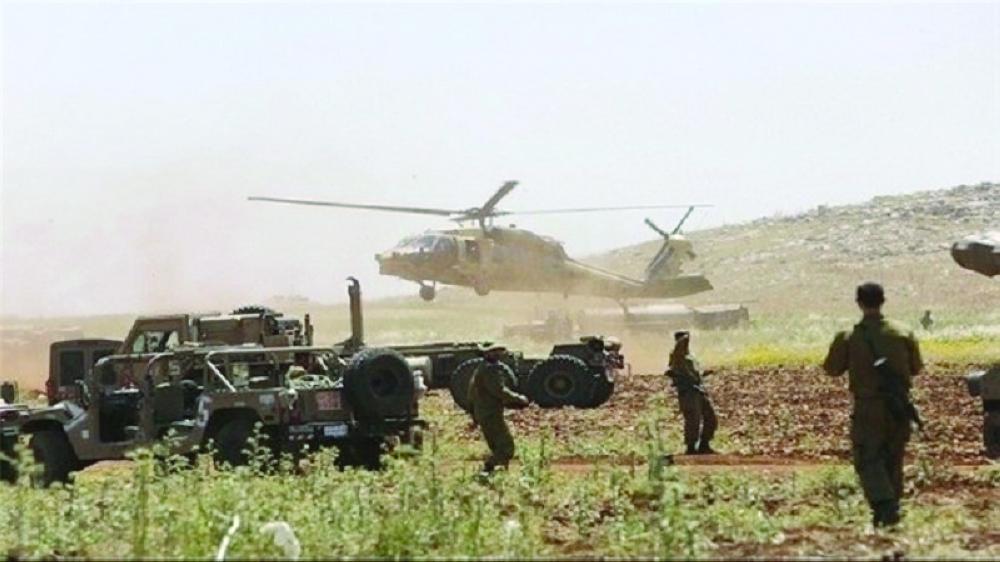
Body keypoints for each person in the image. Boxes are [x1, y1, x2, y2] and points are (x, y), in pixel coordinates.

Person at [822, 282, 924, 528]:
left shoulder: (849, 336)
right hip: (898, 406)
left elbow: (832, 369)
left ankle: (884, 505)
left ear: (859, 303)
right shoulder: (903, 333)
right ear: (883, 301)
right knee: (894, 457)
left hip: (868, 407)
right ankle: (892, 510)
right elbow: (916, 368)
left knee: (868, 457)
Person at [468, 345, 530, 475]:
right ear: (487, 353)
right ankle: (488, 467)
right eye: (494, 351)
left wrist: (474, 413)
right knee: (507, 447)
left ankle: (499, 473)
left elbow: (471, 394)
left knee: (497, 446)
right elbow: (499, 390)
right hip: (490, 413)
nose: (498, 353)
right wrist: (519, 399)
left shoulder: (481, 368)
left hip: (484, 412)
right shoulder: (490, 370)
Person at [666, 331, 718, 455]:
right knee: (693, 420)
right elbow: (676, 367)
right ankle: (691, 447)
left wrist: (703, 374)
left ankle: (704, 444)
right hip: (688, 393)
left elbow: (694, 373)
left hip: (698, 390)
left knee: (711, 418)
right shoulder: (677, 357)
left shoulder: (689, 357)